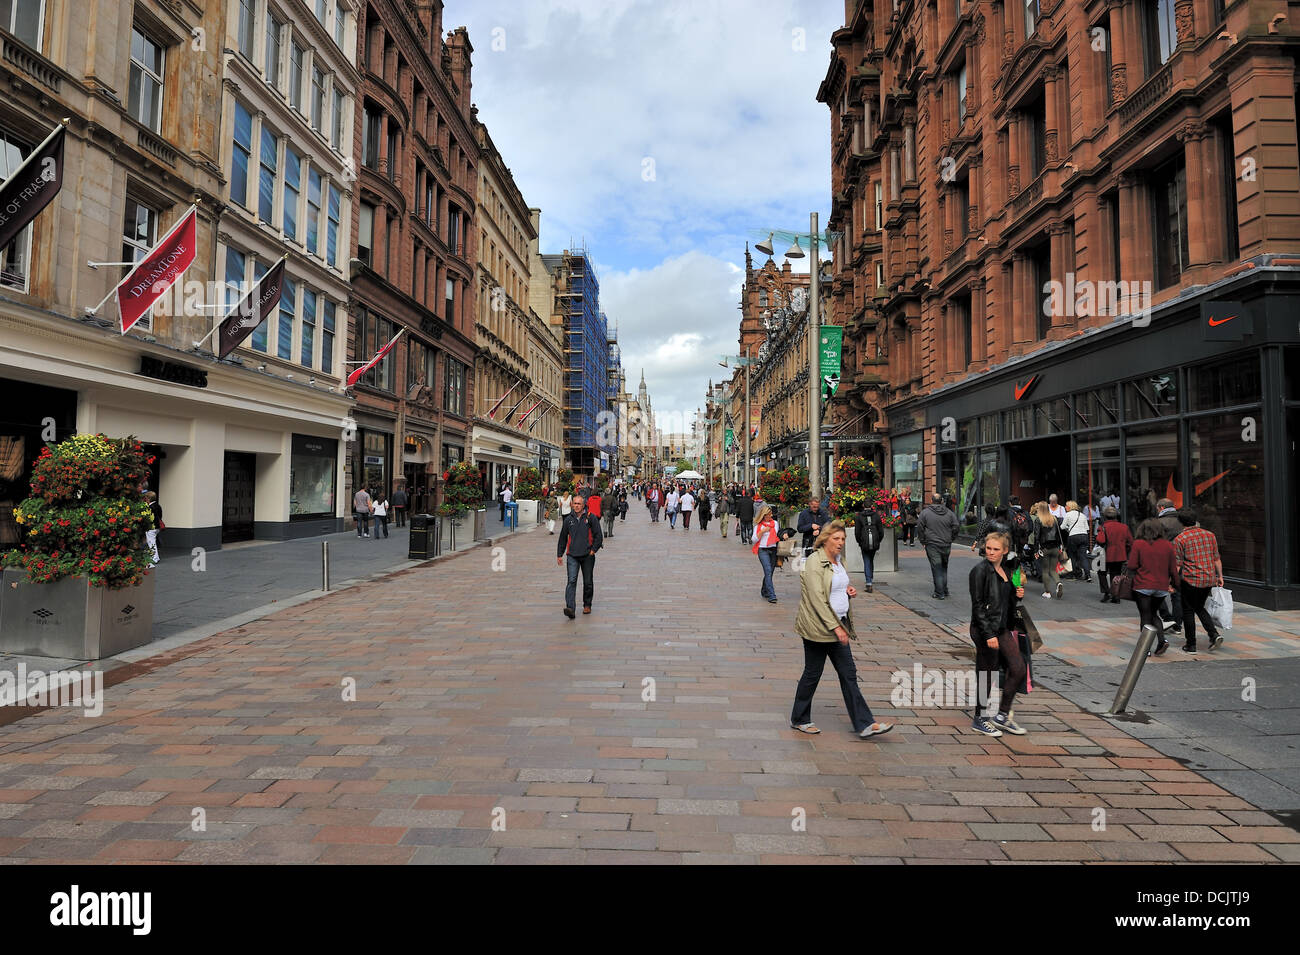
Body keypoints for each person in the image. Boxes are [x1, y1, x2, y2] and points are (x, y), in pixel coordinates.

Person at [789, 521, 894, 739]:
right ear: (825, 539)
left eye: (843, 539)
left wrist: (847, 590)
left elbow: (834, 584)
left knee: (849, 674)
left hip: (839, 624)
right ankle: (800, 719)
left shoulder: (839, 560)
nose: (840, 543)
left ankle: (865, 724)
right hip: (818, 628)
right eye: (836, 539)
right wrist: (837, 627)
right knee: (812, 673)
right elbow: (817, 599)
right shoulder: (813, 563)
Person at [968, 531, 1029, 737]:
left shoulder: (1006, 569)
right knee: (988, 673)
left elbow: (1004, 601)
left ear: (1005, 550)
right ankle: (980, 718)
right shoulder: (979, 571)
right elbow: (978, 607)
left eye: (995, 549)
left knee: (1018, 667)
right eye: (988, 548)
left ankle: (1002, 715)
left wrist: (1017, 594)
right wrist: (988, 635)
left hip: (1002, 628)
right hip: (984, 629)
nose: (990, 552)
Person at [1173, 510, 1225, 653]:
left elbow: (1177, 564)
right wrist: (1220, 576)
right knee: (1199, 607)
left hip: (1191, 579)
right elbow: (1216, 558)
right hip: (1208, 579)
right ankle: (1213, 634)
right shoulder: (1210, 535)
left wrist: (1171, 582)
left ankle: (1191, 644)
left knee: (1188, 611)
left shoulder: (1180, 539)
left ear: (1181, 522)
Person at [1129, 518, 1178, 656]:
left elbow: (1132, 565)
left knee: (1145, 615)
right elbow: (1173, 568)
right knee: (1154, 614)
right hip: (1161, 586)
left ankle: (1145, 649)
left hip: (1143, 585)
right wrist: (1175, 584)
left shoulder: (1139, 543)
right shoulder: (1168, 545)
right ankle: (1162, 640)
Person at [557, 494, 603, 618]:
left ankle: (587, 605)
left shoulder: (590, 517)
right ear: (572, 504)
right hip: (572, 555)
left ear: (583, 505)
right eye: (575, 503)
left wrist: (593, 550)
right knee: (571, 581)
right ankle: (570, 608)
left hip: (587, 555)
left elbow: (598, 535)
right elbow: (562, 537)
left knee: (587, 582)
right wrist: (559, 554)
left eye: (579, 504)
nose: (576, 506)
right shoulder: (568, 519)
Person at [917, 492, 959, 599]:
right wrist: (951, 538)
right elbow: (956, 526)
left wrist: (923, 541)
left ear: (931, 501)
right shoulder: (950, 513)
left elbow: (920, 528)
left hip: (932, 543)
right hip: (945, 543)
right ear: (941, 501)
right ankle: (944, 590)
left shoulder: (925, 513)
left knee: (937, 568)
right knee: (944, 567)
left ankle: (940, 592)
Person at [1154, 498, 1184, 635]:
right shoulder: (1183, 521)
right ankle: (1178, 625)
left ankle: (1167, 617)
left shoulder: (1159, 523)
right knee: (1177, 593)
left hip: (1163, 560)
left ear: (1161, 508)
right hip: (1181, 560)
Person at [1095, 506, 1133, 602]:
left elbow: (1100, 540)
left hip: (1105, 554)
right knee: (1115, 574)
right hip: (1119, 555)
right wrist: (1126, 551)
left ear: (1105, 516)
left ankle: (1106, 592)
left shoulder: (1103, 527)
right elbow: (1130, 542)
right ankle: (1115, 595)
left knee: (1101, 573)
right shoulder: (1124, 527)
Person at [1029, 501, 1064, 599]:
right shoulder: (1055, 519)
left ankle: (1047, 592)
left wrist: (1036, 549)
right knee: (1053, 569)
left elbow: (1036, 536)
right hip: (1055, 547)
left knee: (1045, 570)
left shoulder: (1038, 520)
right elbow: (1059, 533)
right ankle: (1058, 582)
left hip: (1044, 547)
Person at [853, 500, 885, 592]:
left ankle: (869, 582)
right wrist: (878, 541)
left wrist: (860, 542)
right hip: (874, 542)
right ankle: (870, 578)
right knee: (871, 560)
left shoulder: (859, 517)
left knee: (866, 560)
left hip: (864, 542)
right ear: (871, 505)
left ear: (863, 505)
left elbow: (857, 532)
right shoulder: (876, 516)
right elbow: (881, 531)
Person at [752, 504, 780, 603]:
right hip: (762, 550)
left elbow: (777, 533)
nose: (770, 516)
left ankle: (764, 590)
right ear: (763, 515)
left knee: (770, 572)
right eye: (768, 515)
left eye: (770, 514)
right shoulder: (758, 526)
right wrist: (762, 532)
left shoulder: (775, 523)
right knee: (768, 570)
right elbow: (754, 540)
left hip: (773, 550)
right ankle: (772, 595)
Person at [1062, 500, 1092, 581]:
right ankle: (1088, 575)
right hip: (1084, 536)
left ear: (1070, 507)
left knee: (1072, 556)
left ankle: (1073, 574)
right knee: (1083, 557)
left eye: (1066, 506)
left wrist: (1069, 530)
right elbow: (1087, 528)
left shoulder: (1067, 515)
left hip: (1073, 536)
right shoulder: (1082, 515)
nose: (1065, 507)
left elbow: (1062, 527)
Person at [144, 490, 163, 565]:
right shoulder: (158, 505)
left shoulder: (150, 507)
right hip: (157, 527)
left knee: (151, 543)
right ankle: (156, 557)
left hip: (151, 527)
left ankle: (155, 558)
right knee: (152, 542)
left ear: (148, 498)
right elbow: (160, 516)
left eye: (146, 498)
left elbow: (149, 518)